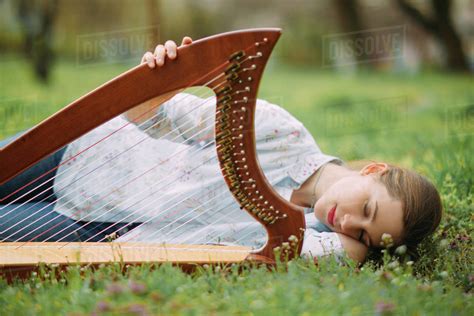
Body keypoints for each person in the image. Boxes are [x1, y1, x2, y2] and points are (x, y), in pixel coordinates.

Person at [0, 37, 443, 264]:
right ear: (373, 170)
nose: (347, 223)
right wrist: (158, 81)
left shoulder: (309, 235)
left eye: (364, 233)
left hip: (96, 230)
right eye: (365, 208)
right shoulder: (279, 131)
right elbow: (155, 118)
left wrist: (364, 246)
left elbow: (349, 255)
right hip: (85, 156)